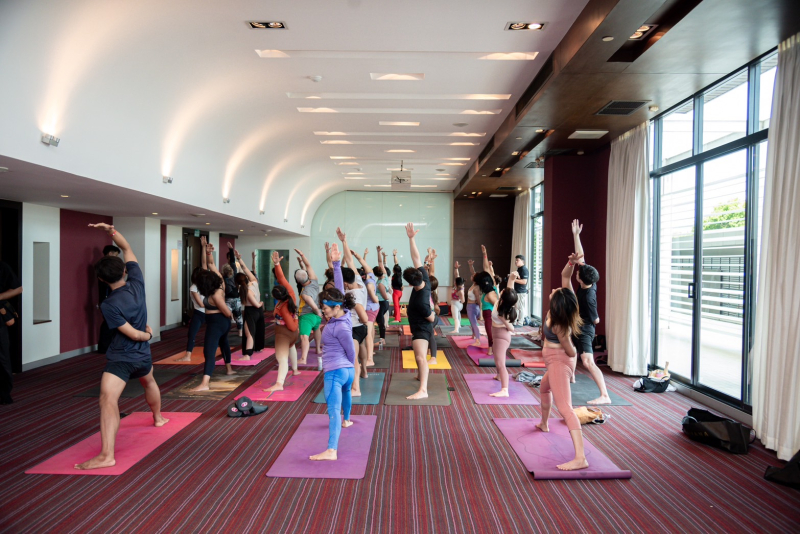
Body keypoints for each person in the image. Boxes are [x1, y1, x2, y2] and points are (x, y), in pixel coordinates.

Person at [76, 223, 167, 469]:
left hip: (122, 358)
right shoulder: (137, 283)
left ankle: (107, 455)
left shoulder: (109, 304)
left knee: (107, 400)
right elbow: (127, 248)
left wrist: (147, 335)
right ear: (125, 271)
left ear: (101, 279)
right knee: (149, 382)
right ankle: (158, 418)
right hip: (143, 356)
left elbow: (133, 334)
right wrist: (112, 232)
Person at [536, 252, 588, 471]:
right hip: (554, 363)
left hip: (559, 362)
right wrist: (571, 262)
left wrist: (570, 368)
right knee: (543, 387)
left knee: (565, 408)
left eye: (556, 291)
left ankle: (580, 458)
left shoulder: (560, 325)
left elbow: (571, 352)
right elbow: (565, 276)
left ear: (556, 303)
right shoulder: (565, 303)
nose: (555, 289)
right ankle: (544, 423)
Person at [309, 243, 356, 461]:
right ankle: (348, 420)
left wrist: (348, 366)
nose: (324, 312)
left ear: (335, 307)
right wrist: (336, 264)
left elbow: (351, 350)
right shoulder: (343, 312)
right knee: (345, 398)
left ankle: (331, 450)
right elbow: (339, 289)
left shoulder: (340, 326)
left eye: (326, 309)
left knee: (332, 411)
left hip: (336, 372)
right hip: (345, 372)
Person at [568, 219, 609, 404]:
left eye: (578, 272)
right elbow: (581, 256)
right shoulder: (589, 279)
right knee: (569, 350)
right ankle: (571, 377)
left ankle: (605, 395)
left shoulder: (589, 298)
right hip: (578, 324)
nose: (577, 271)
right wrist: (576, 235)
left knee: (587, 361)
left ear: (580, 280)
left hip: (585, 328)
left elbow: (596, 320)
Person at [192, 239, 235, 391]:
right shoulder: (220, 283)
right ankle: (229, 369)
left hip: (217, 322)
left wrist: (230, 317)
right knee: (224, 343)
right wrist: (207, 251)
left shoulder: (216, 294)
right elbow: (209, 265)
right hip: (217, 322)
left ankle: (204, 384)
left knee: (209, 351)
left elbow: (227, 312)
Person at [402, 223, 436, 400]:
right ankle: (420, 375)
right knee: (418, 356)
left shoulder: (422, 301)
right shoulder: (424, 279)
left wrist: (433, 312)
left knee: (421, 357)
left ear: (409, 283)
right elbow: (416, 257)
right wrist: (411, 238)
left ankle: (423, 390)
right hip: (418, 325)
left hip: (423, 327)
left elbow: (431, 318)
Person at [336, 228, 369, 397]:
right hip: (360, 329)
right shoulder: (359, 282)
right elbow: (349, 260)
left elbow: (363, 316)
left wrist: (360, 321)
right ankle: (364, 372)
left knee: (353, 358)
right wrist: (344, 241)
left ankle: (356, 388)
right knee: (360, 350)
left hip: (355, 328)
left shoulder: (352, 295)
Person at [263, 251, 301, 392]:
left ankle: (279, 384)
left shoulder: (283, 308)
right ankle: (295, 370)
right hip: (291, 336)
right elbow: (281, 278)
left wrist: (296, 318)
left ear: (276, 297)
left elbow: (292, 326)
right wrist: (277, 264)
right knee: (291, 347)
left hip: (285, 334)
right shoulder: (290, 293)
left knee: (282, 359)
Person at [490, 279, 518, 397]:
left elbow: (511, 328)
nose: (502, 290)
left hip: (502, 337)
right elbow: (509, 291)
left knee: (501, 363)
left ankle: (505, 390)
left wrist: (503, 320)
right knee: (497, 357)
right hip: (497, 334)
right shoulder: (501, 302)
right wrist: (511, 279)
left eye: (503, 291)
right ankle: (499, 376)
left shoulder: (503, 311)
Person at [294, 248, 323, 365]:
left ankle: (303, 359)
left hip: (307, 316)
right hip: (316, 317)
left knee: (304, 337)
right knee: (317, 329)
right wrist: (302, 255)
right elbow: (308, 265)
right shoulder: (314, 281)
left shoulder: (305, 294)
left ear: (298, 282)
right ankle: (318, 349)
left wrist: (318, 312)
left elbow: (313, 307)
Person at [234, 249, 264, 360]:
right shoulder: (254, 282)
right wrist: (239, 259)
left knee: (249, 333)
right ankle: (258, 348)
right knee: (258, 329)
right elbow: (245, 268)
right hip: (258, 312)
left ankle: (247, 354)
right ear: (246, 278)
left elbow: (256, 304)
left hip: (251, 312)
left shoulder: (246, 291)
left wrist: (260, 303)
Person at [0, 261, 22, 405]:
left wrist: (0, 297)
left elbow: (18, 289)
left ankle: (4, 392)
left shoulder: (2, 267)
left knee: (2, 357)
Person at [354, 248, 379, 366]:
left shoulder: (368, 284)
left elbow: (374, 297)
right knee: (371, 329)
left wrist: (375, 297)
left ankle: (370, 359)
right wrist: (358, 256)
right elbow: (365, 264)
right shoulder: (371, 276)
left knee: (368, 334)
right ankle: (371, 352)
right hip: (373, 307)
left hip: (370, 308)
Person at [176, 267, 205, 362]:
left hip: (209, 312)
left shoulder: (206, 286)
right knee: (191, 333)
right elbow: (200, 304)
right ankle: (188, 356)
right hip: (199, 313)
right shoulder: (193, 288)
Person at [97, 244, 120, 354]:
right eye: (115, 255)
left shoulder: (104, 265)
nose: (116, 258)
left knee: (112, 323)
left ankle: (109, 345)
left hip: (110, 298)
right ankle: (104, 347)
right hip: (107, 298)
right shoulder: (104, 266)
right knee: (108, 323)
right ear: (110, 253)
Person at [478, 244, 499, 355]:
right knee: (489, 332)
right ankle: (491, 348)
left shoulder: (491, 292)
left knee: (491, 333)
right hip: (488, 316)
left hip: (491, 316)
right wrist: (484, 254)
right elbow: (486, 268)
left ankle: (492, 349)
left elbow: (498, 305)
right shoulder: (490, 287)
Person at [221, 257, 243, 337]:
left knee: (227, 316)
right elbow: (233, 262)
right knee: (238, 315)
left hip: (229, 299)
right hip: (235, 298)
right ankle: (240, 331)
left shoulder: (224, 278)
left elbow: (233, 263)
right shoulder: (233, 275)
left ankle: (225, 331)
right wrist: (231, 252)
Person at [373, 247, 391, 346]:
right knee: (380, 321)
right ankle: (381, 338)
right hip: (383, 303)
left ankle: (382, 339)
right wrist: (378, 252)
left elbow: (385, 297)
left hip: (382, 303)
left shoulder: (380, 284)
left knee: (380, 322)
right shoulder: (384, 276)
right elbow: (380, 262)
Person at [465, 260, 483, 345]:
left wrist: (481, 311)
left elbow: (478, 300)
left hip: (472, 307)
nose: (471, 276)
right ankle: (474, 334)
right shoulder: (474, 284)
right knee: (472, 322)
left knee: (474, 323)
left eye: (473, 276)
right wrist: (470, 265)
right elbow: (473, 272)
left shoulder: (476, 288)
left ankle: (478, 340)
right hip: (471, 307)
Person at [511, 254, 529, 326]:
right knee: (516, 307)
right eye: (515, 260)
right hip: (517, 291)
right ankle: (515, 322)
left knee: (520, 308)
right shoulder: (519, 269)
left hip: (521, 292)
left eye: (517, 260)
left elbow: (524, 281)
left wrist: (513, 279)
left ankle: (520, 323)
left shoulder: (524, 269)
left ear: (522, 261)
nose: (516, 262)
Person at [450, 262, 465, 334]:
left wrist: (459, 300)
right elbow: (457, 275)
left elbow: (463, 300)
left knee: (455, 317)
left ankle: (456, 329)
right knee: (458, 314)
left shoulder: (460, 290)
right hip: (458, 304)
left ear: (456, 283)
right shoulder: (458, 286)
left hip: (456, 303)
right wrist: (456, 268)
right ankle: (459, 326)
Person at [391, 249, 403, 322]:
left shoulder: (397, 276)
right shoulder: (399, 274)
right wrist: (395, 255)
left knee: (396, 305)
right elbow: (396, 263)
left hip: (396, 292)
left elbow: (399, 283)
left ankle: (397, 318)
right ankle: (396, 315)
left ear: (394, 270)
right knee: (397, 304)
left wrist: (401, 286)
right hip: (399, 292)